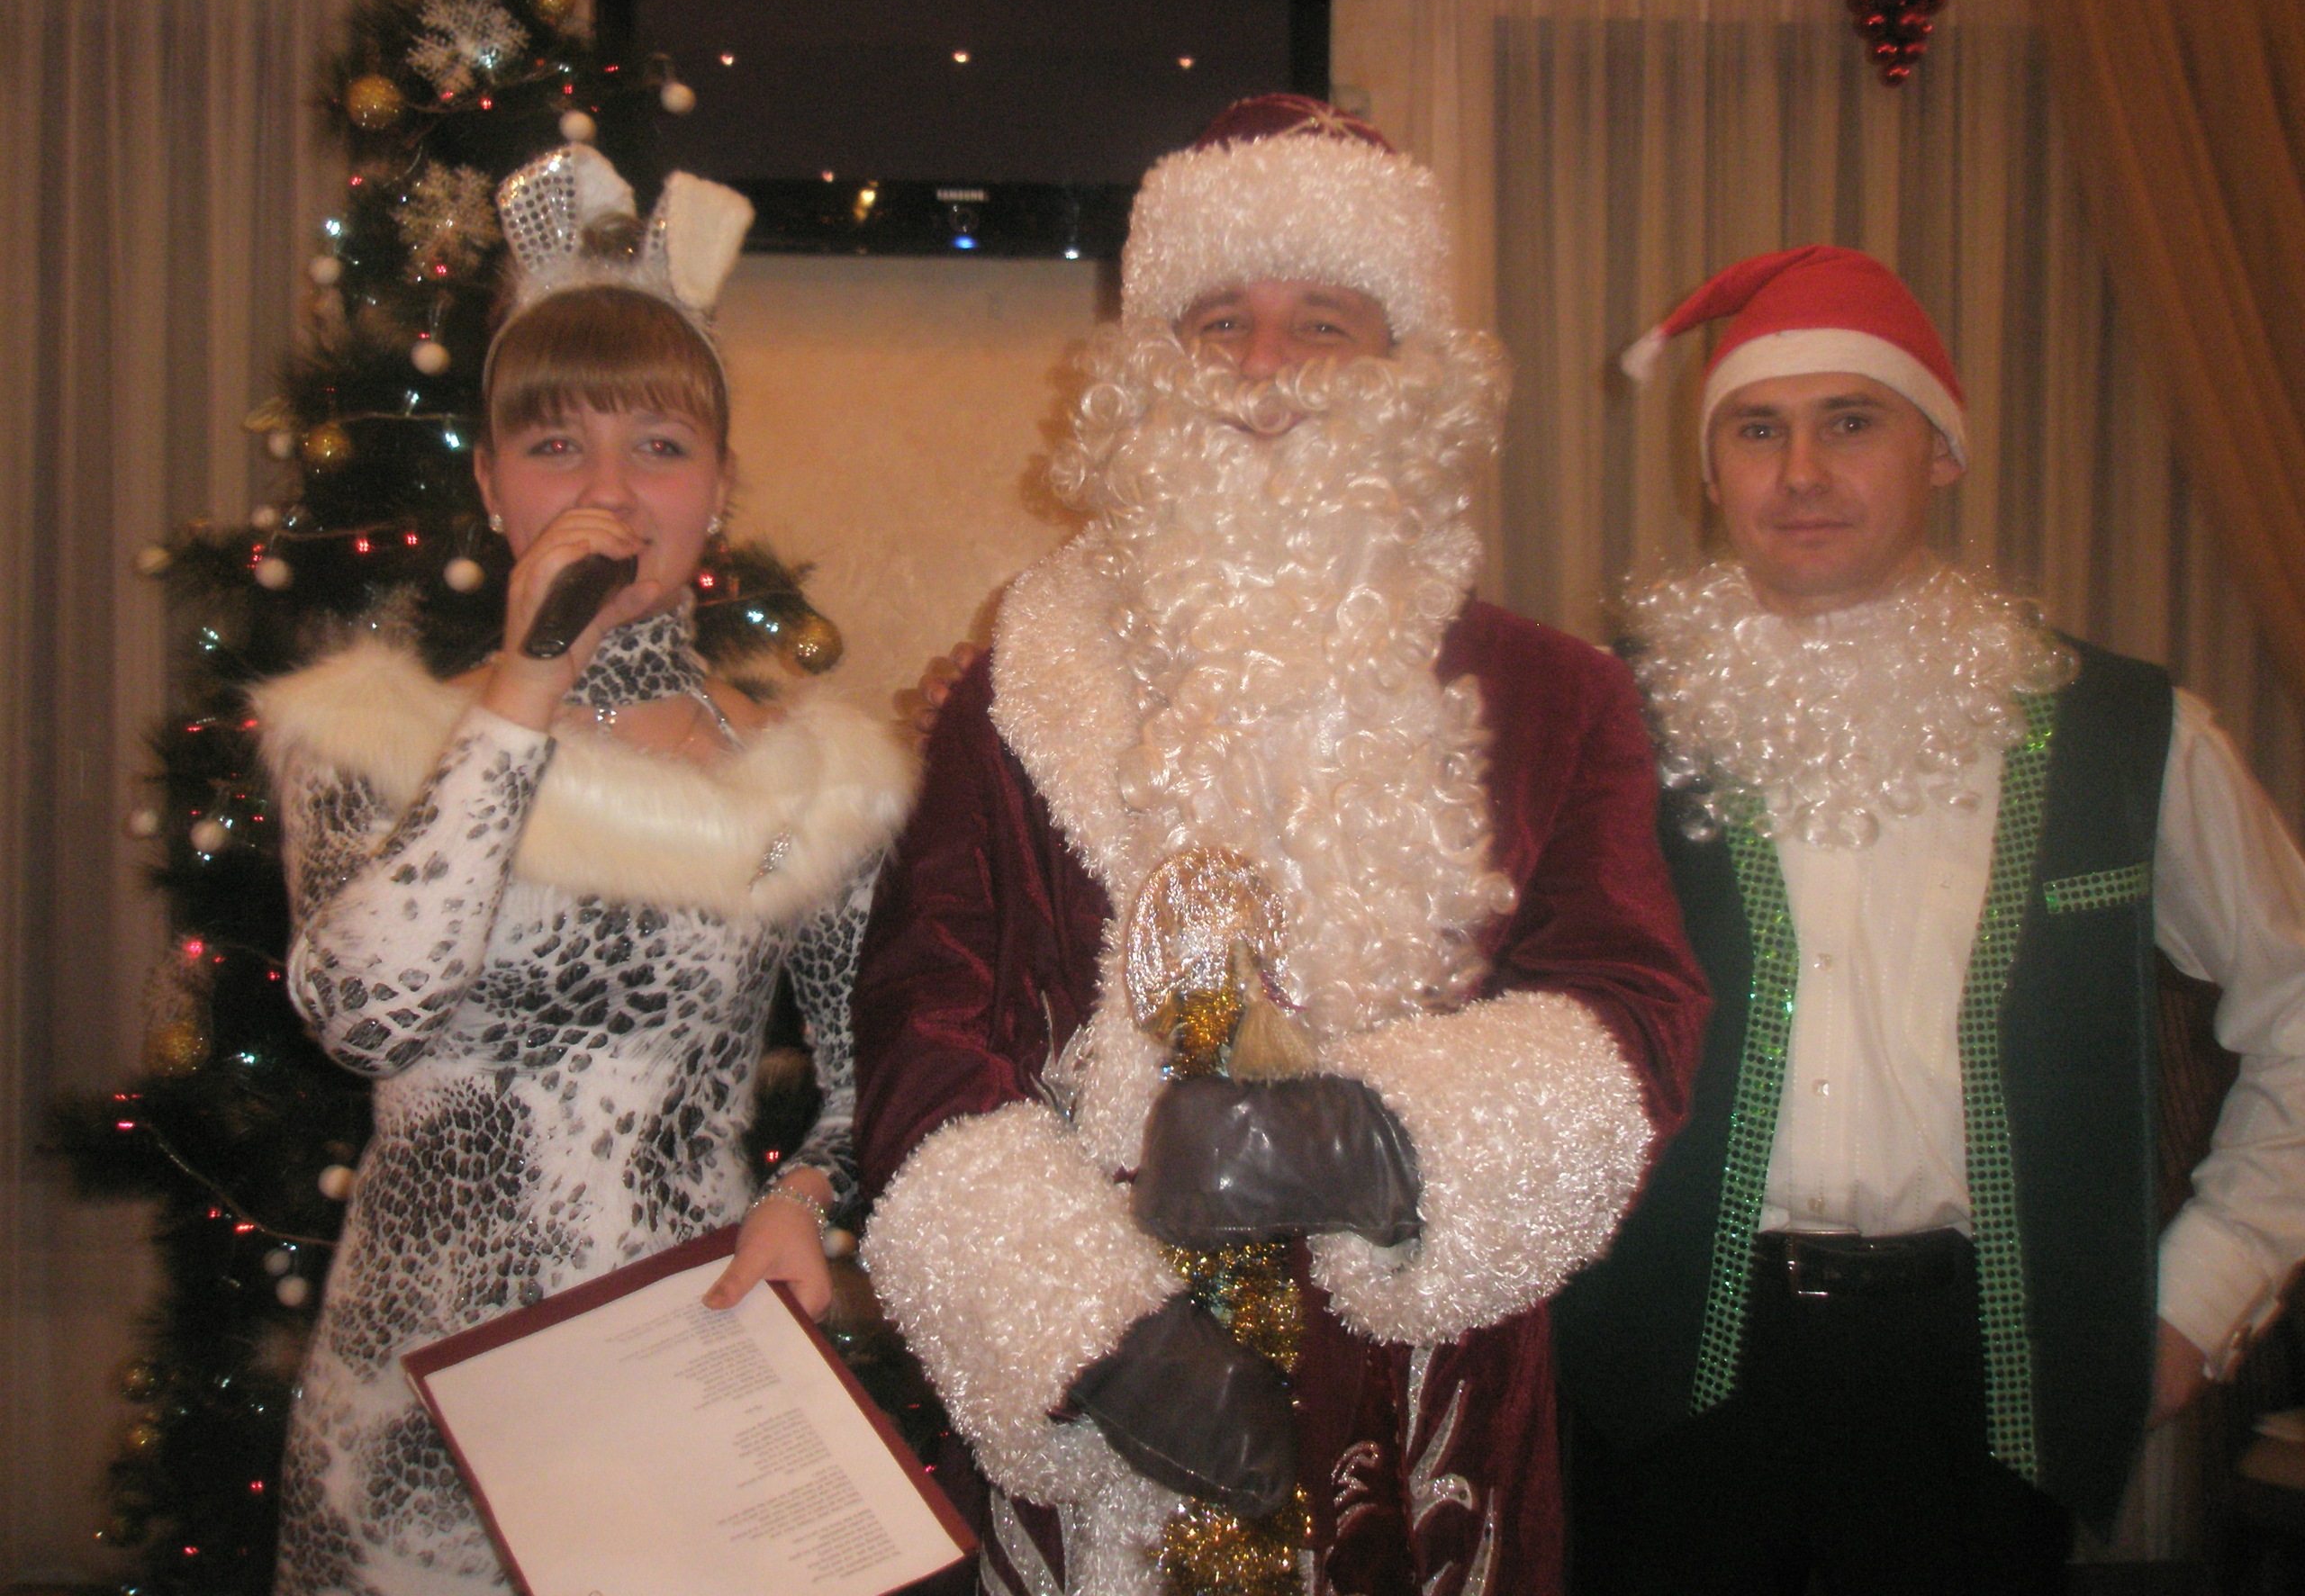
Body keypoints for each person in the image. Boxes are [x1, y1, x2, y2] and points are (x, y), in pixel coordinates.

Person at [851, 95, 1710, 1596]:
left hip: (1430, 1415)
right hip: (1103, 1437)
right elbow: (922, 1030)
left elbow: (1636, 1014)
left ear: (1405, 370)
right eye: (1218, 323)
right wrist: (1092, 1345)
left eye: (1323, 324)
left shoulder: (1557, 697)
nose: (1261, 370)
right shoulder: (1020, 687)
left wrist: (1382, 1147)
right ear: (1150, 364)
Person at [1551, 245, 2305, 1592]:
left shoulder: (2130, 735)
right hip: (1655, 1370)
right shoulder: (1589, 725)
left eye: (1852, 422)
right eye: (1757, 430)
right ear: (1710, 469)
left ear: (1942, 453)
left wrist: (2205, 1293)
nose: (1801, 472)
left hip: (1983, 1385)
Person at [256, 146, 914, 1596]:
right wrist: (527, 684)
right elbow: (366, 1015)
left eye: (661, 447)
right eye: (556, 445)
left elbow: (879, 1080)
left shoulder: (812, 784)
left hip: (683, 1401)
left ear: (719, 489)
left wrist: (801, 1201)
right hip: (410, 1424)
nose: (609, 490)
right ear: (490, 482)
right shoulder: (363, 742)